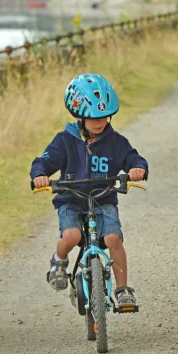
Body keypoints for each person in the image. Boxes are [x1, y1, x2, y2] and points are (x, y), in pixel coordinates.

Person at [30, 74, 148, 310]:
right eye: (93, 117)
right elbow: (43, 161)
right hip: (71, 200)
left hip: (103, 199)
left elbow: (134, 158)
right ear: (79, 115)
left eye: (104, 116)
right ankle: (59, 260)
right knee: (72, 236)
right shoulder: (65, 140)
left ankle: (123, 289)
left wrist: (137, 168)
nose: (99, 122)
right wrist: (40, 175)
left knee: (113, 238)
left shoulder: (116, 142)